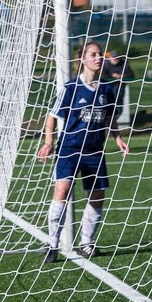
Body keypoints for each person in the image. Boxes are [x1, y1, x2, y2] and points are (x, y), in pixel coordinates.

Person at [37, 41, 130, 262]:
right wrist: (49, 142)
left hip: (95, 151)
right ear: (83, 60)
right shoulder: (70, 88)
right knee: (62, 191)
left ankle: (87, 243)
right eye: (93, 55)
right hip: (69, 149)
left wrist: (118, 138)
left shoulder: (108, 89)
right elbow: (51, 116)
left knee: (97, 196)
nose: (98, 58)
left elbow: (109, 119)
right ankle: (52, 244)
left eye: (100, 55)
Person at [102, 48, 134, 128]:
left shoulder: (124, 64)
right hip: (109, 88)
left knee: (119, 105)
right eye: (113, 57)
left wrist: (121, 77)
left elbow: (131, 75)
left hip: (120, 87)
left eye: (117, 57)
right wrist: (113, 77)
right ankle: (106, 123)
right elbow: (103, 76)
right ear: (110, 58)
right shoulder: (106, 64)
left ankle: (112, 123)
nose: (115, 59)